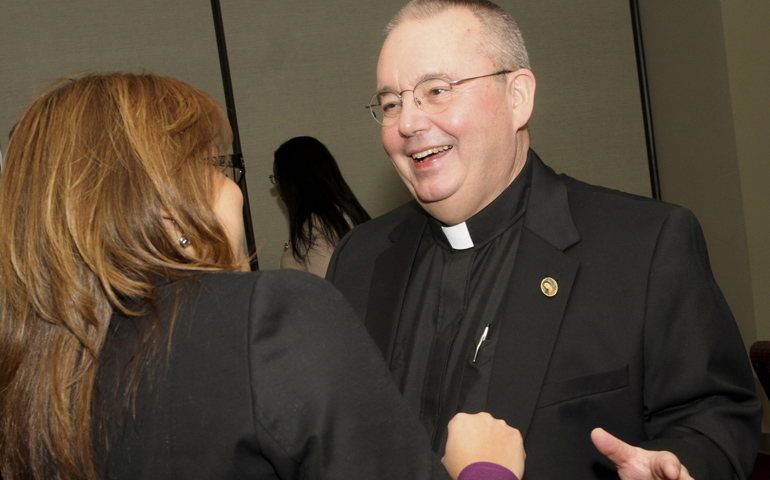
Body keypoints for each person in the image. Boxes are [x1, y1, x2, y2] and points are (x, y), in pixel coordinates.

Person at [0, 73, 525, 480]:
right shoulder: (268, 319)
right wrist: (484, 468)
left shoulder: (37, 380)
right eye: (218, 166)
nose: (239, 192)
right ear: (166, 205)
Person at [326, 1, 762, 479]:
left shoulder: (644, 246)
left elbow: (717, 417)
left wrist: (685, 467)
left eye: (437, 90)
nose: (408, 123)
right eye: (391, 103)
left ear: (518, 97)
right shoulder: (359, 261)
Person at [273, 136, 370, 277]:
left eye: (277, 178)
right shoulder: (338, 214)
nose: (277, 186)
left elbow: (327, 290)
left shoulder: (318, 226)